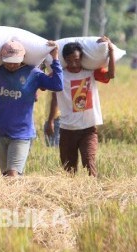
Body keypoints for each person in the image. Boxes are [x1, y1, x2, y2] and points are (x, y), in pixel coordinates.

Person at [0, 40, 63, 177]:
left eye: (16, 61)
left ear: (23, 57)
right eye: (8, 61)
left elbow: (58, 85)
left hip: (22, 133)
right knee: (7, 176)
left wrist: (55, 58)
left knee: (13, 175)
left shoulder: (33, 74)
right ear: (2, 58)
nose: (12, 64)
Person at [50, 37, 115, 177]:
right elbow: (45, 87)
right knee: (68, 169)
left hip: (88, 129)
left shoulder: (91, 72)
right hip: (67, 129)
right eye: (69, 60)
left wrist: (111, 51)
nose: (73, 63)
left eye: (77, 59)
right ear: (64, 60)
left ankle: (93, 193)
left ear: (82, 58)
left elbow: (111, 75)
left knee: (89, 162)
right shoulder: (60, 75)